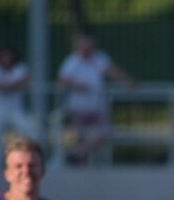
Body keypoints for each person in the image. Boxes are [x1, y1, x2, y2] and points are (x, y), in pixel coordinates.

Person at [56, 32, 136, 164]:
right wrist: (78, 86)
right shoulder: (72, 61)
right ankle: (79, 162)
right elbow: (62, 80)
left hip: (97, 105)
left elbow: (112, 71)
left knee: (105, 134)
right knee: (79, 137)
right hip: (78, 106)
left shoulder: (99, 58)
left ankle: (77, 154)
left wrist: (127, 82)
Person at [0, 46, 32, 167]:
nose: (6, 59)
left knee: (28, 129)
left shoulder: (20, 69)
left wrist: (11, 86)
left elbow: (26, 80)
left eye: (8, 56)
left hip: (15, 109)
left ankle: (25, 159)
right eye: (3, 56)